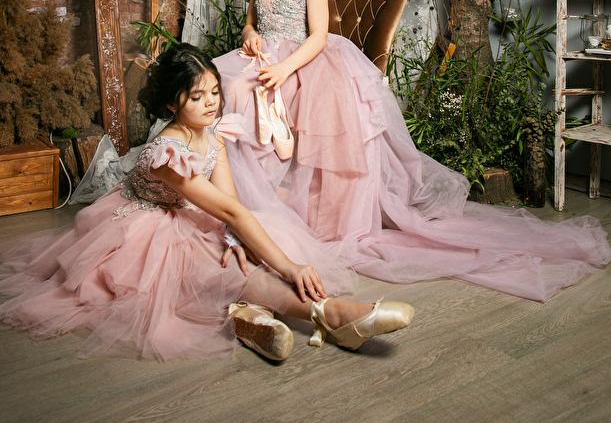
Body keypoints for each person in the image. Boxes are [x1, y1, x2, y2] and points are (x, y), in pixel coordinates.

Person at [214, 0, 611, 302]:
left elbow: (317, 36)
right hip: (263, 55)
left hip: (301, 61)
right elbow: (250, 22)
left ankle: (269, 206)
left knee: (249, 91)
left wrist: (283, 68)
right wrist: (251, 35)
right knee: (226, 84)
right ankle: (238, 202)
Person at [0, 44, 414, 362]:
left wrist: (237, 239)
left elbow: (231, 203)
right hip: (141, 229)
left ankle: (252, 317)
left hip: (193, 214)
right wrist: (289, 266)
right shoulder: (167, 152)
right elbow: (231, 211)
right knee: (213, 264)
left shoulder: (213, 135)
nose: (212, 102)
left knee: (243, 251)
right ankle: (331, 315)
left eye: (215, 91)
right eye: (197, 97)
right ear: (171, 104)